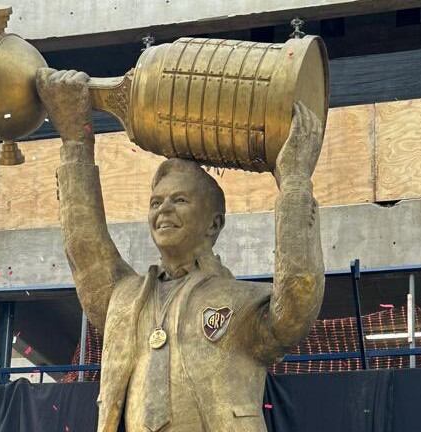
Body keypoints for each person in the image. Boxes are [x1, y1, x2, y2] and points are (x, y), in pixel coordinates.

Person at [37, 68, 325, 432]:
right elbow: (85, 250)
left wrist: (295, 182)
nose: (163, 210)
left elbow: (298, 298)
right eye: (156, 202)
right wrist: (75, 142)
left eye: (179, 200)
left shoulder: (245, 304)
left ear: (214, 224)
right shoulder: (123, 300)